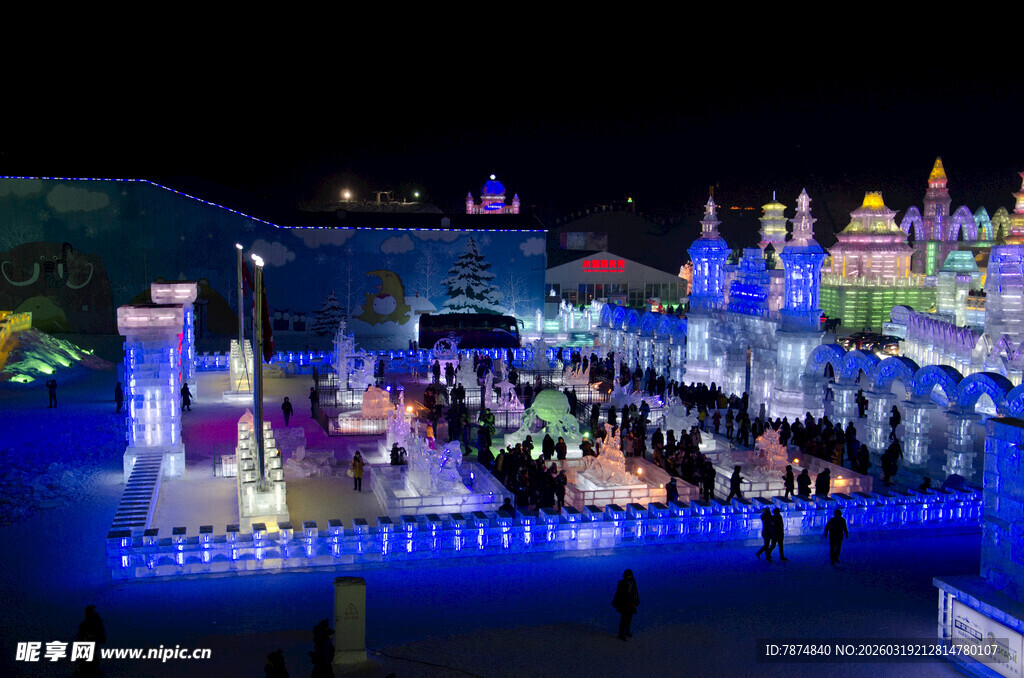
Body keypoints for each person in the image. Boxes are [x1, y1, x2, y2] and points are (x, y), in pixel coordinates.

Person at [76, 604, 106, 677]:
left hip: (88, 653)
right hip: (89, 653)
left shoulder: (88, 624)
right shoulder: (97, 624)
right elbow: (102, 639)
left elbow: (79, 639)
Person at [612, 569, 639, 641]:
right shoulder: (622, 583)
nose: (629, 577)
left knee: (629, 618)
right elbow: (619, 594)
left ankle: (626, 632)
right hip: (624, 604)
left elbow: (635, 592)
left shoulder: (633, 582)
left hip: (631, 603)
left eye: (630, 575)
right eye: (628, 575)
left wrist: (636, 601)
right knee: (624, 619)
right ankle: (621, 634)